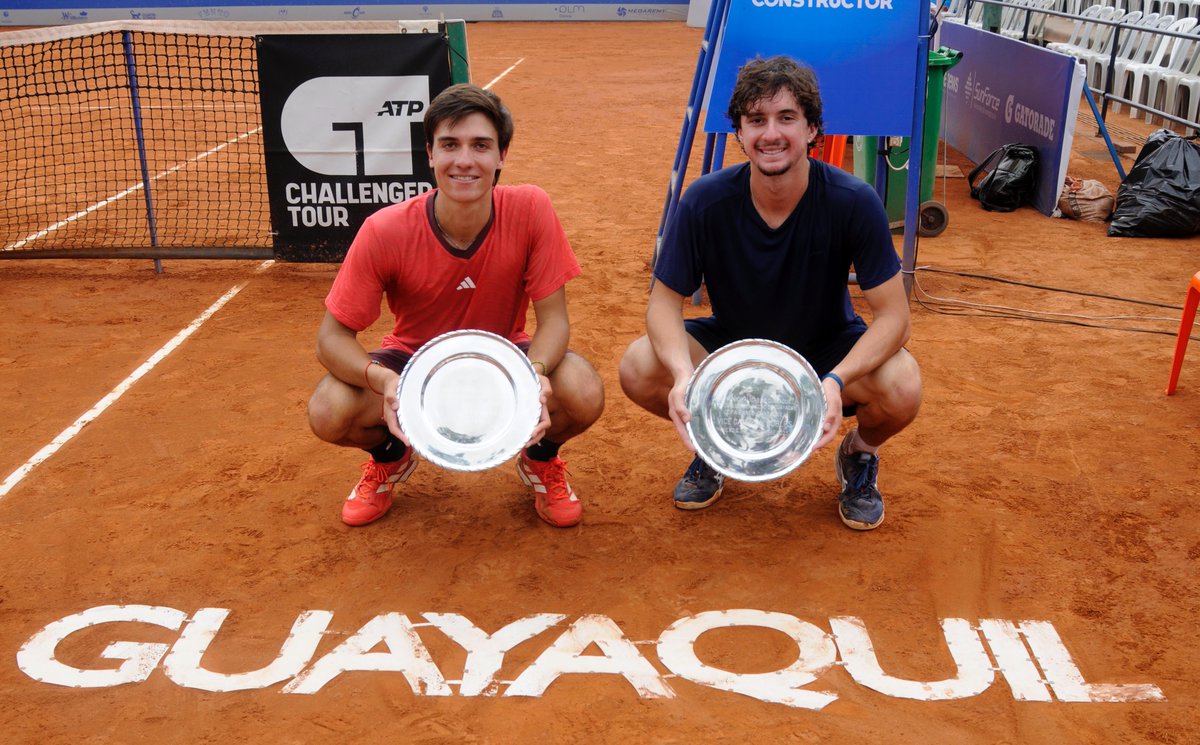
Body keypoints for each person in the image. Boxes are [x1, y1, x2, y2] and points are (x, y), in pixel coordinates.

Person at [618, 56, 921, 530]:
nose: (770, 134)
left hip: (826, 350)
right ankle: (717, 446)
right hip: (736, 350)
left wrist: (836, 381)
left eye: (786, 118)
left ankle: (859, 456)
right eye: (756, 120)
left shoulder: (853, 200)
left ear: (813, 129)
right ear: (739, 132)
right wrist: (683, 376)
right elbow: (662, 303)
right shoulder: (704, 200)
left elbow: (894, 319)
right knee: (639, 365)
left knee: (903, 385)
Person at [308, 83, 604, 529]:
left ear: (501, 155)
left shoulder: (530, 209)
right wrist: (385, 380)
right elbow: (331, 338)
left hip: (504, 360)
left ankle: (540, 460)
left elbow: (555, 321)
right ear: (430, 153)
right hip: (411, 364)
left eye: (480, 146)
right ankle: (391, 458)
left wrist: (535, 373)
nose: (464, 160)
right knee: (328, 409)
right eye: (450, 145)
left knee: (583, 389)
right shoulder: (384, 230)